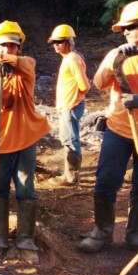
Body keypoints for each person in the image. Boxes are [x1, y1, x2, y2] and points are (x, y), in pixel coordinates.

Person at [0, 20, 51, 262]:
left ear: (19, 48)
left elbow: (22, 63)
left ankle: (26, 238)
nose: (7, 50)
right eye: (2, 46)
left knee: (25, 188)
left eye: (11, 46)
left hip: (25, 136)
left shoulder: (26, 66)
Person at [80, 1, 138, 253]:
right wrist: (116, 59)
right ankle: (102, 231)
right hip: (118, 129)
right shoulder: (117, 55)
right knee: (105, 181)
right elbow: (99, 83)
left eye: (132, 27)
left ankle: (135, 232)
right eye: (125, 29)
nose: (127, 32)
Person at [47, 25, 89, 186]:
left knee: (70, 139)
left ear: (68, 42)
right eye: (54, 42)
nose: (56, 45)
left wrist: (74, 99)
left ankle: (71, 177)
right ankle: (68, 173)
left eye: (59, 42)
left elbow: (85, 85)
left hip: (71, 105)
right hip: (67, 105)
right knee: (67, 138)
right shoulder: (69, 58)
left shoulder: (72, 59)